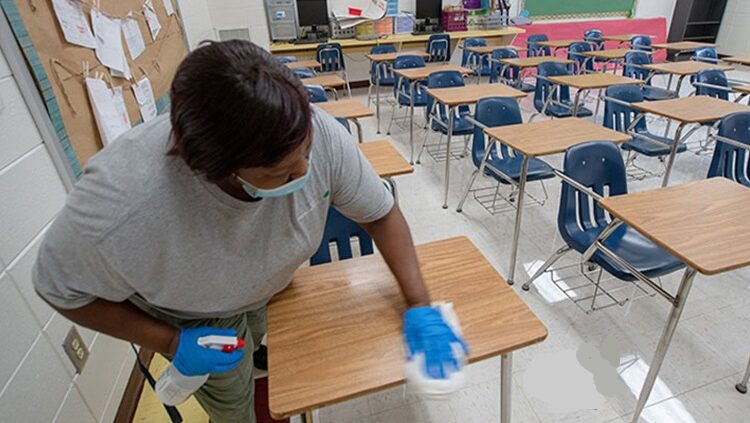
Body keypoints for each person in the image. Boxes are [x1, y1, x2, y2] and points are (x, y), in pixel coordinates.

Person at [33, 40, 467, 422]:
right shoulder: (122, 204)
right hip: (195, 314)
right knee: (232, 399)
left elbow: (380, 215)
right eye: (280, 174)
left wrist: (420, 305)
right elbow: (58, 288)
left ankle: (259, 356)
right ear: (213, 170)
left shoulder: (316, 135)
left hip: (272, 281)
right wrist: (171, 340)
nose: (305, 172)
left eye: (307, 154)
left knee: (262, 344)